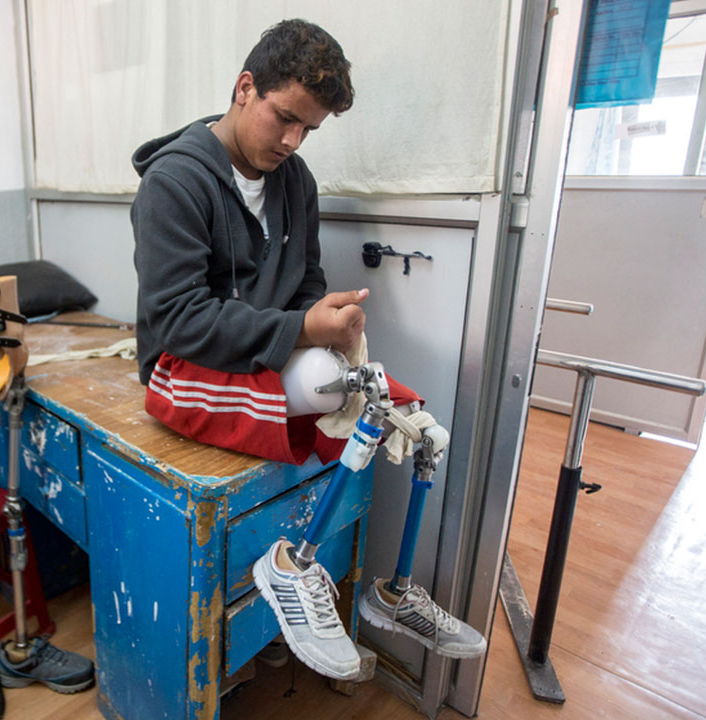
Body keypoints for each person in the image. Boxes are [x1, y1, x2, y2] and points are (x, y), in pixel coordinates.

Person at [130, 19, 484, 680]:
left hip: (267, 359)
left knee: (417, 423)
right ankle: (288, 567)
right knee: (333, 382)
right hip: (182, 370)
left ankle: (395, 589)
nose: (293, 141)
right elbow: (178, 321)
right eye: (285, 118)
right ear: (244, 89)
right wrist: (303, 332)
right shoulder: (174, 183)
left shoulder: (296, 181)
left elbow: (307, 282)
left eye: (309, 130)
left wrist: (327, 315)